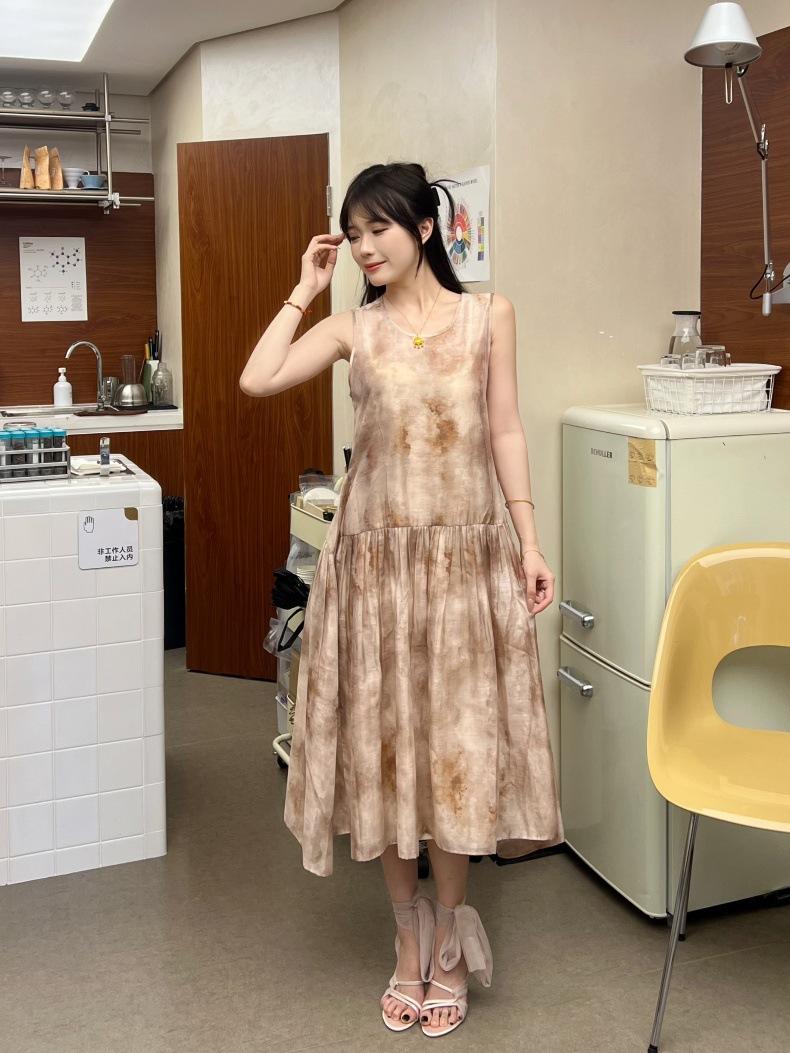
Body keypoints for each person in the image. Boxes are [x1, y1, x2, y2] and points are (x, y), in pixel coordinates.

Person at [240, 162, 563, 1037]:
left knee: (455, 754)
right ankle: (407, 934)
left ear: (424, 228)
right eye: (351, 235)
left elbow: (505, 429)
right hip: (374, 575)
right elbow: (258, 378)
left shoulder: (488, 315)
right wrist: (304, 291)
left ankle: (450, 936)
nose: (362, 247)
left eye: (377, 228)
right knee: (387, 759)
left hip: (463, 571)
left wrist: (530, 542)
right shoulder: (354, 328)